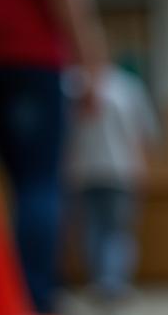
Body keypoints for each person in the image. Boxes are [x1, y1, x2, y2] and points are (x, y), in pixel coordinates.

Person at [0, 0, 106, 315]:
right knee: (40, 182)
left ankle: (10, 293)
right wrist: (89, 63)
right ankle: (34, 300)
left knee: (20, 186)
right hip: (30, 53)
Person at [68, 60, 159, 302]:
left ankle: (102, 282)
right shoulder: (125, 87)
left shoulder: (74, 85)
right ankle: (112, 284)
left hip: (88, 170)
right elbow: (144, 132)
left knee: (97, 230)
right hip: (117, 170)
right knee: (114, 231)